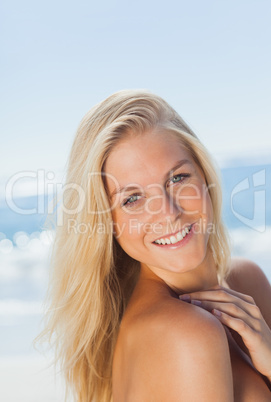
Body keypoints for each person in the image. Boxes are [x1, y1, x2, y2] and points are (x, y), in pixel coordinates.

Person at [42, 89, 271, 401]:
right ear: (107, 224)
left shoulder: (246, 281)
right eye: (132, 199)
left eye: (177, 178)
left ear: (204, 175)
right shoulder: (187, 332)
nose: (168, 212)